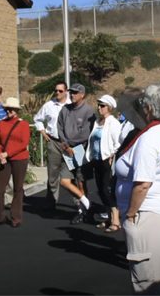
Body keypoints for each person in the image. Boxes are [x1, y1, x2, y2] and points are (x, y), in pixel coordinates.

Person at [115, 84, 160, 295]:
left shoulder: (149, 138)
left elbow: (143, 183)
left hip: (149, 212)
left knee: (148, 278)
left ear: (149, 109)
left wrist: (130, 213)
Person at [56, 83, 97, 224]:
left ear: (82, 95)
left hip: (81, 150)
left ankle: (83, 212)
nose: (72, 94)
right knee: (65, 181)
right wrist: (66, 144)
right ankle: (87, 204)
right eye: (71, 92)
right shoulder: (65, 109)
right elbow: (59, 127)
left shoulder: (88, 111)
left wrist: (71, 144)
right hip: (67, 149)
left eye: (75, 92)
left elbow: (86, 133)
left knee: (80, 182)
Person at [0, 97, 30, 228]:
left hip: (19, 158)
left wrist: (7, 153)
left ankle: (16, 217)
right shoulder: (2, 123)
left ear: (16, 110)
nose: (8, 112)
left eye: (11, 110)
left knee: (18, 188)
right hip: (4, 159)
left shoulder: (23, 124)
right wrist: (0, 153)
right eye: (7, 109)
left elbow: (23, 143)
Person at [87, 94, 122, 232]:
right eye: (99, 105)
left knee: (107, 190)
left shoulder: (113, 123)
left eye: (102, 106)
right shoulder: (97, 122)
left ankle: (115, 219)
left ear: (110, 108)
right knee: (100, 190)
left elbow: (118, 142)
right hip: (96, 159)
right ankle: (108, 217)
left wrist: (111, 155)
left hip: (106, 160)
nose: (99, 108)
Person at [33, 81, 70, 210]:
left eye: (60, 91)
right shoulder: (49, 105)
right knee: (52, 174)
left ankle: (80, 204)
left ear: (66, 91)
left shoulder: (72, 105)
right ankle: (51, 202)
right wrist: (43, 132)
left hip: (71, 144)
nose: (57, 93)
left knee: (75, 174)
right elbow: (37, 119)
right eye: (56, 90)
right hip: (53, 142)